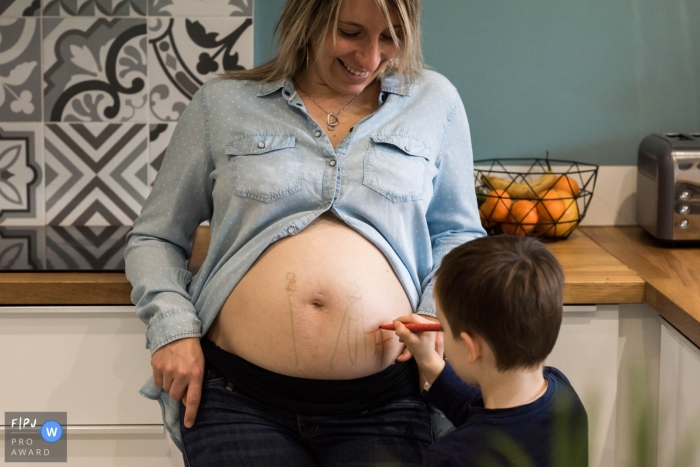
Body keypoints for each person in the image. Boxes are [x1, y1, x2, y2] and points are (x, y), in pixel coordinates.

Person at [125, 0, 485, 465]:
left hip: (388, 401)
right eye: (351, 32)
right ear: (308, 19)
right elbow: (155, 237)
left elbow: (458, 236)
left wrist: (435, 313)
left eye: (390, 36)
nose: (370, 57)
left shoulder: (435, 101)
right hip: (238, 399)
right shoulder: (223, 101)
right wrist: (172, 330)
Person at [392, 235, 589, 467]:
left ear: (471, 347)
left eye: (443, 327)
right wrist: (429, 361)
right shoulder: (564, 398)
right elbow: (492, 417)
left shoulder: (451, 457)